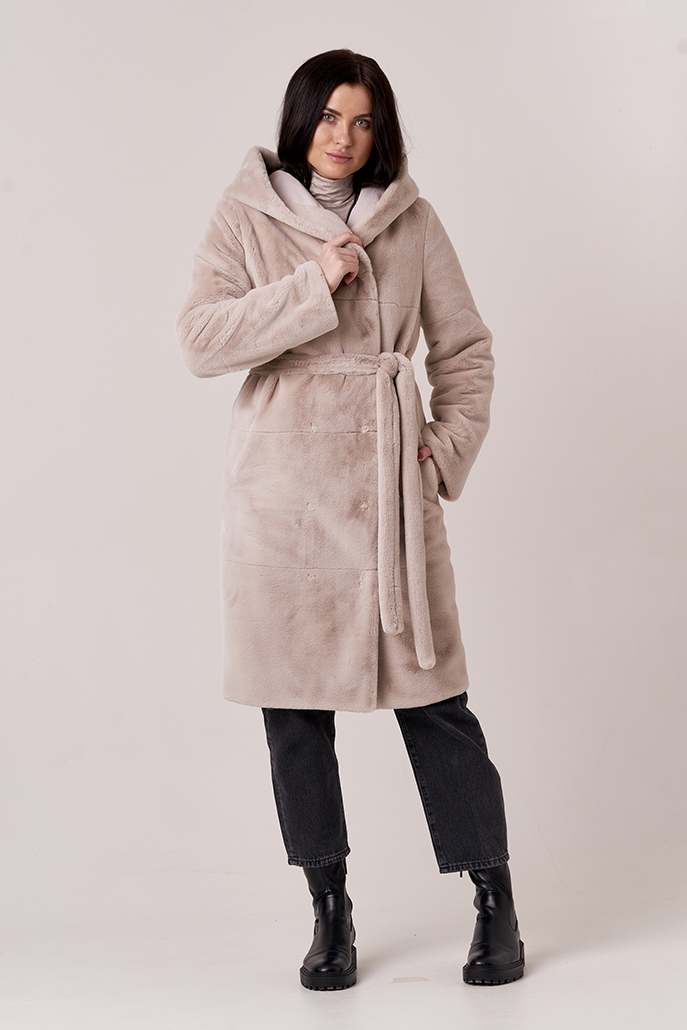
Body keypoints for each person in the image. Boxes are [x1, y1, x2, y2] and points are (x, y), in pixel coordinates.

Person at [177, 49, 524, 991]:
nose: (343, 137)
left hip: (387, 500)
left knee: (437, 707)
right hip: (281, 502)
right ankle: (328, 908)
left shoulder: (413, 220)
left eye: (363, 120)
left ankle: (493, 898)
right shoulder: (244, 215)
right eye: (329, 117)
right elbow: (199, 340)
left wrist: (442, 449)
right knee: (294, 716)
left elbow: (464, 347)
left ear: (382, 132)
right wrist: (310, 285)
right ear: (301, 120)